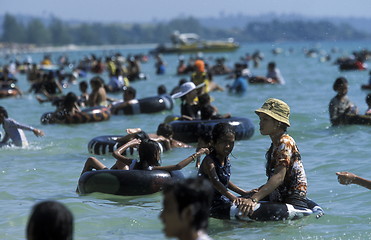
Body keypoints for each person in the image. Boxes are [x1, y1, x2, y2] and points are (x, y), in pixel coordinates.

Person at [237, 98, 308, 217]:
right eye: (260, 119)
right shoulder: (274, 145)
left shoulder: (285, 142)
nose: (261, 123)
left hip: (293, 197)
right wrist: (258, 191)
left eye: (265, 119)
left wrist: (254, 199)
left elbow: (279, 177)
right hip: (280, 194)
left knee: (246, 208)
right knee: (240, 201)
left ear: (278, 123)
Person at [78, 138, 209, 180]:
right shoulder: (153, 169)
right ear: (155, 155)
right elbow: (178, 167)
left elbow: (115, 153)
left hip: (116, 177)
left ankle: (80, 188)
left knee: (91, 159)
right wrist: (197, 154)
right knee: (118, 162)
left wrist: (131, 143)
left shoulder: (134, 162)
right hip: (121, 179)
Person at [197, 122, 253, 219]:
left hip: (220, 199)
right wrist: (233, 197)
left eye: (231, 143)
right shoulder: (209, 161)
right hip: (206, 204)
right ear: (214, 142)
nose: (228, 146)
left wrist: (244, 193)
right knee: (242, 214)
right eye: (223, 142)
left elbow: (225, 181)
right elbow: (215, 182)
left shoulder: (226, 159)